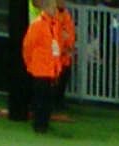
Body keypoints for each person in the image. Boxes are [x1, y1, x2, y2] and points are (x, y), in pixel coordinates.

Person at [22, 0, 60, 133]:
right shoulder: (38, 24)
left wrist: (57, 67)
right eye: (54, 8)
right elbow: (28, 45)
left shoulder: (54, 25)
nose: (56, 10)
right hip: (40, 69)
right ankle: (38, 124)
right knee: (40, 99)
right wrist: (30, 63)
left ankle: (44, 123)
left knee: (48, 99)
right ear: (47, 8)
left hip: (50, 69)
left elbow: (56, 48)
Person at [53, 0, 75, 111]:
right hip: (57, 55)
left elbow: (70, 32)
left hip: (65, 55)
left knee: (64, 77)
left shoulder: (66, 14)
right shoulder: (53, 14)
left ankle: (58, 101)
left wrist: (70, 46)